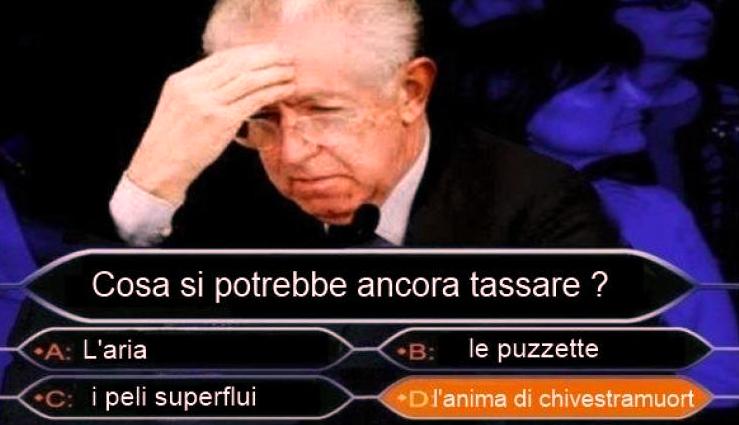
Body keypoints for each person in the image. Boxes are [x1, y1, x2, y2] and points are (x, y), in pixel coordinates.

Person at [107, 0, 617, 249]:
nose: (293, 154)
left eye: (325, 112)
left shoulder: (536, 204)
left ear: (411, 92)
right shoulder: (214, 186)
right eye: (261, 119)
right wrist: (149, 186)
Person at [449, 0, 739, 409]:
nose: (638, 99)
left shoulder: (653, 211)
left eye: (628, 81)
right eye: (606, 87)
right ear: (517, 104)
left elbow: (722, 374)